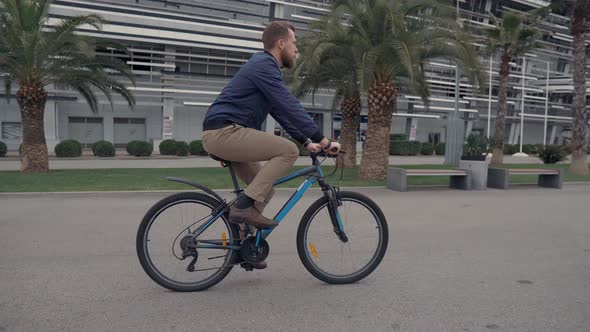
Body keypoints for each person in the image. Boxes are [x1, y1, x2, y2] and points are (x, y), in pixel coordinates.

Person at [201, 21, 340, 267]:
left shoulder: (264, 69)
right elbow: (289, 104)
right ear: (281, 43)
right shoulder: (263, 65)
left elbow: (280, 111)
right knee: (287, 151)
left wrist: (307, 141)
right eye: (295, 43)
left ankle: (242, 249)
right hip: (225, 132)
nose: (297, 50)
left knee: (265, 188)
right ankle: (243, 207)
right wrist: (323, 139)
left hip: (224, 133)